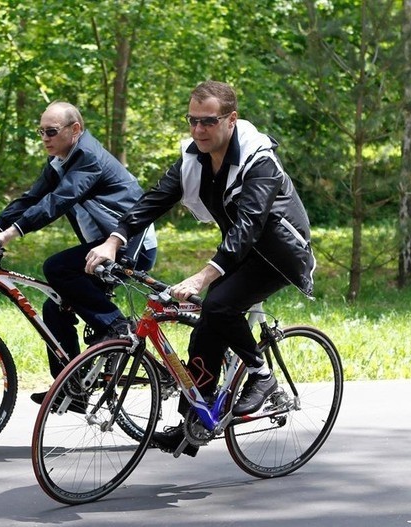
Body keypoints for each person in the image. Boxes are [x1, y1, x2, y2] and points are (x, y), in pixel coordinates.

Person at [86, 81, 315, 456]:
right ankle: (193, 424)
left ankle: (262, 376)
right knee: (205, 331)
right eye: (192, 121)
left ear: (231, 119)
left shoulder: (261, 162)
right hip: (238, 250)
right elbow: (154, 201)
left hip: (278, 255)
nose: (197, 131)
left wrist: (203, 275)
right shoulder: (195, 158)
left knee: (219, 305)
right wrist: (115, 239)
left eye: (207, 122)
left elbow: (249, 226)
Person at [0, 101, 157, 404]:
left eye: (51, 131)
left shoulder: (88, 157)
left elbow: (58, 200)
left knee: (57, 268)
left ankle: (116, 326)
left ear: (75, 130)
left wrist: (11, 234)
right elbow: (31, 199)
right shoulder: (59, 161)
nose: (44, 137)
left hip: (128, 244)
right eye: (41, 131)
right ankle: (74, 389)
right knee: (54, 308)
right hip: (99, 248)